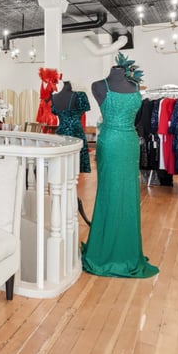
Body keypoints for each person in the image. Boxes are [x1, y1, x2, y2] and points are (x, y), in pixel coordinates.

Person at [82, 53, 159, 278]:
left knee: (127, 194)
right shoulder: (99, 85)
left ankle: (121, 249)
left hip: (123, 142)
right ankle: (111, 247)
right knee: (109, 192)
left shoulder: (133, 86)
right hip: (119, 142)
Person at [51, 81, 91, 173]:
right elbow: (84, 108)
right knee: (75, 164)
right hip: (76, 132)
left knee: (63, 165)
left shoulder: (54, 97)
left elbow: (55, 111)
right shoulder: (80, 95)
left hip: (61, 132)